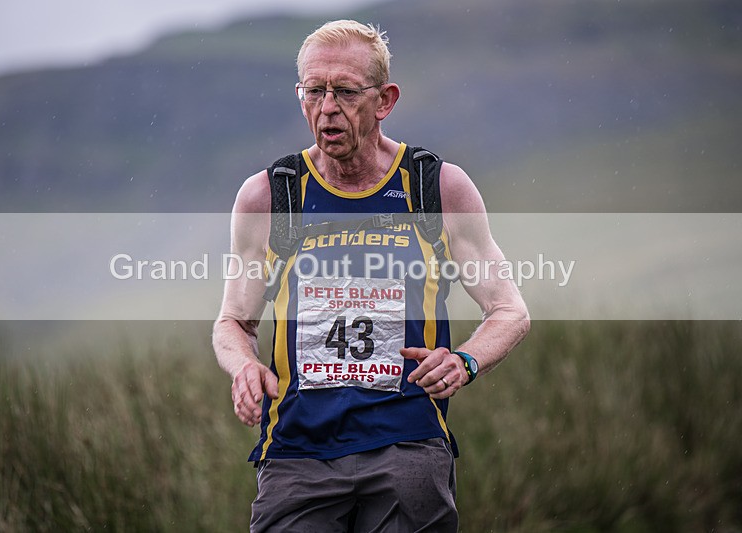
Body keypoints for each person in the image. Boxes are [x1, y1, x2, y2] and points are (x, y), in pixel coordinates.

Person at [213, 19, 530, 532]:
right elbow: (233, 322)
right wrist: (243, 368)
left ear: (384, 100)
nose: (327, 108)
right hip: (297, 451)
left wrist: (466, 361)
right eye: (313, 91)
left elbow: (509, 310)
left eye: (344, 91)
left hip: (407, 444)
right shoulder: (271, 196)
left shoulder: (436, 187)